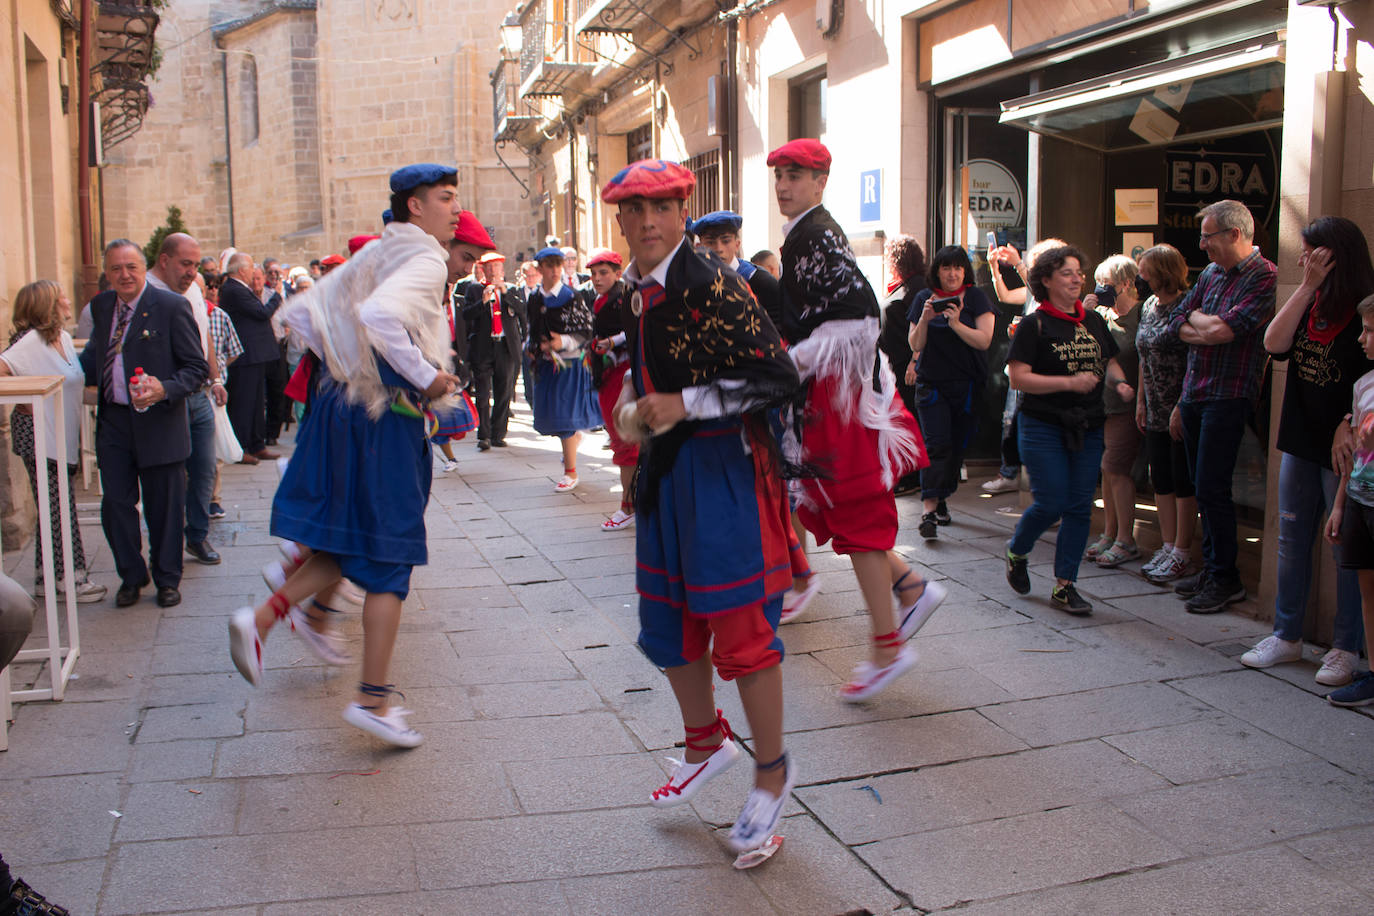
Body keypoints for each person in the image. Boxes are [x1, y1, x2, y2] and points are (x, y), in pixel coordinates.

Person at [604, 157, 803, 855]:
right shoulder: (639, 288)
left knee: (743, 633)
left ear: (683, 212)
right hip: (668, 471)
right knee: (666, 624)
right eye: (638, 210)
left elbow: (781, 377)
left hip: (724, 471)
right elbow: (657, 364)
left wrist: (682, 403)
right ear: (621, 221)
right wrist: (639, 403)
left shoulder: (714, 285)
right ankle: (703, 746)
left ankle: (773, 774)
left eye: (664, 207)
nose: (651, 221)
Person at [227, 163, 463, 747]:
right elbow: (379, 317)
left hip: (341, 409)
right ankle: (374, 701)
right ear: (416, 206)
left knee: (347, 540)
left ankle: (261, 619)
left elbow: (303, 315)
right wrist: (428, 376)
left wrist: (346, 365)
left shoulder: (383, 249)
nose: (455, 210)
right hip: (383, 419)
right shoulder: (426, 256)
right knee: (390, 557)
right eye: (446, 198)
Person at [771, 138, 946, 700]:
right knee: (843, 511)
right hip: (831, 394)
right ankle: (910, 585)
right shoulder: (805, 233)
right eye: (779, 174)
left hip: (837, 396)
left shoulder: (815, 234)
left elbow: (859, 317)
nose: (783, 184)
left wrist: (790, 363)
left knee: (857, 516)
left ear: (821, 181)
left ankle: (887, 645)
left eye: (796, 175)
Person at [1241, 217, 1373, 684]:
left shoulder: (1364, 311)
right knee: (1292, 540)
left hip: (1344, 450)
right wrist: (1304, 288)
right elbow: (1274, 344)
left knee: (1345, 551)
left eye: (1310, 252)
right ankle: (1287, 634)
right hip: (1298, 438)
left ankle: (1345, 648)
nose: (1302, 259)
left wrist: (1347, 422)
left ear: (1335, 254)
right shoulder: (1312, 302)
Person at [1003, 245, 1134, 615]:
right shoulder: (1034, 324)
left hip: (1089, 425)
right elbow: (1018, 378)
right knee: (1051, 501)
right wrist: (1068, 383)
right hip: (1043, 424)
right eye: (1067, 273)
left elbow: (1107, 362)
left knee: (1079, 508)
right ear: (1046, 280)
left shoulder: (1092, 321)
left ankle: (1065, 585)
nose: (1077, 279)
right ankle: (1018, 550)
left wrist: (1120, 383)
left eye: (1079, 272)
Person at [81, 239, 208, 608]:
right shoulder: (103, 307)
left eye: (131, 267)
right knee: (116, 505)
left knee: (164, 507)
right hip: (115, 422)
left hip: (160, 422)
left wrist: (163, 388)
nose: (124, 275)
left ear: (144, 268)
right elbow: (94, 357)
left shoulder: (170, 306)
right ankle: (132, 576)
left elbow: (196, 369)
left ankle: (167, 579)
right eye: (116, 268)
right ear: (107, 273)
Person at [1164, 200, 1277, 614]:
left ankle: (1226, 578)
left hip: (1229, 395)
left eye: (1207, 236)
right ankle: (1213, 569)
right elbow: (1177, 321)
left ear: (1234, 234)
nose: (1201, 244)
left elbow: (1226, 331)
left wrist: (1204, 325)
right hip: (1196, 392)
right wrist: (1201, 323)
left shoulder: (1264, 277)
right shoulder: (1211, 274)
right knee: (1201, 485)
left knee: (1213, 486)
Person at [0, 282, 106, 603]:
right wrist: (22, 398)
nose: (66, 298)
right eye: (60, 294)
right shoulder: (29, 341)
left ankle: (48, 578)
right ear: (46, 305)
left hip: (62, 434)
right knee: (57, 507)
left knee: (58, 507)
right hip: (39, 433)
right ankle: (68, 579)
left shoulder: (59, 338)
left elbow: (74, 386)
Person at [146, 232, 227, 566]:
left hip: (199, 394)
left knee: (205, 468)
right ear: (164, 260)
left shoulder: (192, 289)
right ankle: (164, 546)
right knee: (169, 477)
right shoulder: (147, 293)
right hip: (167, 398)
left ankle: (197, 535)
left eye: (195, 264)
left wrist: (216, 377)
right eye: (185, 264)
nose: (193, 272)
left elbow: (203, 332)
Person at [906, 244, 996, 537]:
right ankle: (929, 510)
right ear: (938, 271)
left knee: (957, 448)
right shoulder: (924, 298)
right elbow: (915, 344)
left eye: (958, 267)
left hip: (968, 385)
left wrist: (955, 323)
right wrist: (925, 319)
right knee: (936, 444)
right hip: (932, 385)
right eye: (946, 267)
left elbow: (984, 341)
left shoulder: (977, 298)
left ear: (965, 271)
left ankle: (941, 495)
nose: (953, 273)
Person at [1133, 244, 1198, 584]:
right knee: (1160, 476)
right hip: (1155, 403)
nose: (1140, 278)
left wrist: (1180, 406)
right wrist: (1142, 401)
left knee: (1182, 478)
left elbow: (1195, 360)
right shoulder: (1148, 306)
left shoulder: (1188, 305)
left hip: (1180, 404)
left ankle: (1184, 551)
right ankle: (1169, 543)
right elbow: (1143, 355)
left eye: (1145, 272)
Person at [982, 238, 1067, 494]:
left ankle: (1037, 486)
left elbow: (1034, 286)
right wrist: (995, 269)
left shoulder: (1056, 293)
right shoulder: (1034, 291)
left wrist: (1018, 264)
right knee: (1011, 421)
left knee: (1034, 427)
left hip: (1041, 371)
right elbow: (1005, 295)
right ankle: (1011, 474)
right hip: (1023, 367)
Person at [1085, 254, 1144, 568]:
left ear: (1125, 283)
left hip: (1129, 404)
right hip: (1103, 403)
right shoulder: (1101, 315)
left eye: (1107, 284)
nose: (1102, 289)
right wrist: (1086, 314)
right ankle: (1109, 533)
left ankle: (1126, 539)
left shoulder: (1141, 314)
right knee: (1106, 470)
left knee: (1116, 468)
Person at [526, 246, 600, 491]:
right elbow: (532, 328)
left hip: (568, 364)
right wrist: (534, 345)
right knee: (556, 418)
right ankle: (572, 446)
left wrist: (562, 342)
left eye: (558, 265)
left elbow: (586, 330)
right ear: (540, 269)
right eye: (550, 265)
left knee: (565, 417)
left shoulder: (571, 296)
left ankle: (570, 472)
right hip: (547, 365)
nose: (555, 270)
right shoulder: (535, 298)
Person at [584, 247, 638, 530]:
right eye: (593, 273)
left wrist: (613, 342)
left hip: (621, 376)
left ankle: (628, 505)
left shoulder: (625, 297)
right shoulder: (602, 300)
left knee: (626, 439)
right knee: (622, 439)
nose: (596, 278)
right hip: (608, 375)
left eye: (603, 272)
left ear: (618, 274)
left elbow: (638, 329)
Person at [218, 252, 281, 464]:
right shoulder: (233, 289)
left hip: (255, 354)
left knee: (255, 404)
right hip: (246, 355)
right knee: (243, 404)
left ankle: (256, 443)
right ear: (242, 270)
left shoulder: (239, 289)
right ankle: (241, 447)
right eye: (250, 269)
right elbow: (261, 313)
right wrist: (277, 297)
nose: (252, 273)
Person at [463, 251, 525, 450]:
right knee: (482, 394)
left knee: (504, 391)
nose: (492, 271)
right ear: (482, 269)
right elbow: (466, 315)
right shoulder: (473, 289)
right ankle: (484, 435)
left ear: (501, 269)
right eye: (488, 267)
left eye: (495, 266)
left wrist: (504, 292)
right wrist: (482, 302)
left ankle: (498, 433)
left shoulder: (512, 289)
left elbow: (522, 311)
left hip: (505, 347)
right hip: (483, 347)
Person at [880, 235, 925, 498]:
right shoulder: (913, 288)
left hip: (905, 369)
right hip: (900, 367)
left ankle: (911, 476)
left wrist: (914, 361)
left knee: (906, 422)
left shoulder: (914, 291)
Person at [694, 210, 785, 334]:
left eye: (725, 241)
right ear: (699, 246)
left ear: (737, 244)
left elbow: (777, 333)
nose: (719, 249)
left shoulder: (760, 282)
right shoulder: (693, 283)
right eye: (711, 242)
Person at [206, 283, 244, 520]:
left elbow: (235, 349)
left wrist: (218, 373)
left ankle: (213, 499)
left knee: (215, 446)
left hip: (213, 390)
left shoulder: (219, 316)